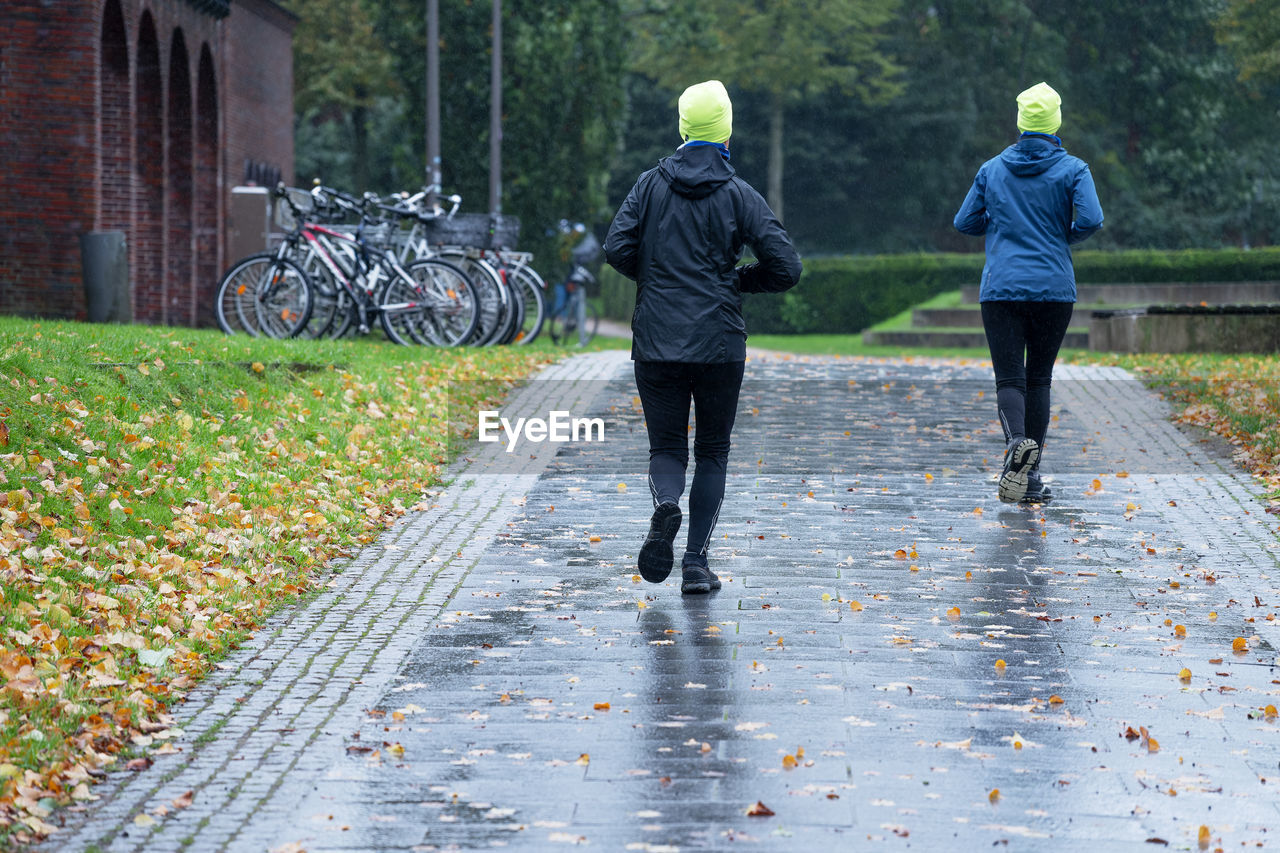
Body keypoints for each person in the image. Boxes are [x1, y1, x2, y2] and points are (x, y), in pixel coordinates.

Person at [605, 79, 802, 594]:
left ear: (683, 128)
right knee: (713, 451)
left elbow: (615, 247)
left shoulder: (648, 185)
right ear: (727, 133)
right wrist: (735, 280)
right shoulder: (739, 194)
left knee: (666, 447)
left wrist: (655, 278)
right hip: (718, 341)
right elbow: (786, 267)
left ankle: (665, 506)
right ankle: (695, 562)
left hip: (655, 340)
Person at [954, 81, 1104, 504]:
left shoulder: (992, 169)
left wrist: (1002, 225)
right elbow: (1092, 218)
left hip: (1001, 288)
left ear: (1021, 122)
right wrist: (1063, 235)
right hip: (1054, 289)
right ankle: (1031, 475)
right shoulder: (1074, 169)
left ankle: (1013, 446)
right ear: (1055, 121)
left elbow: (964, 221)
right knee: (1039, 379)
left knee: (1009, 378)